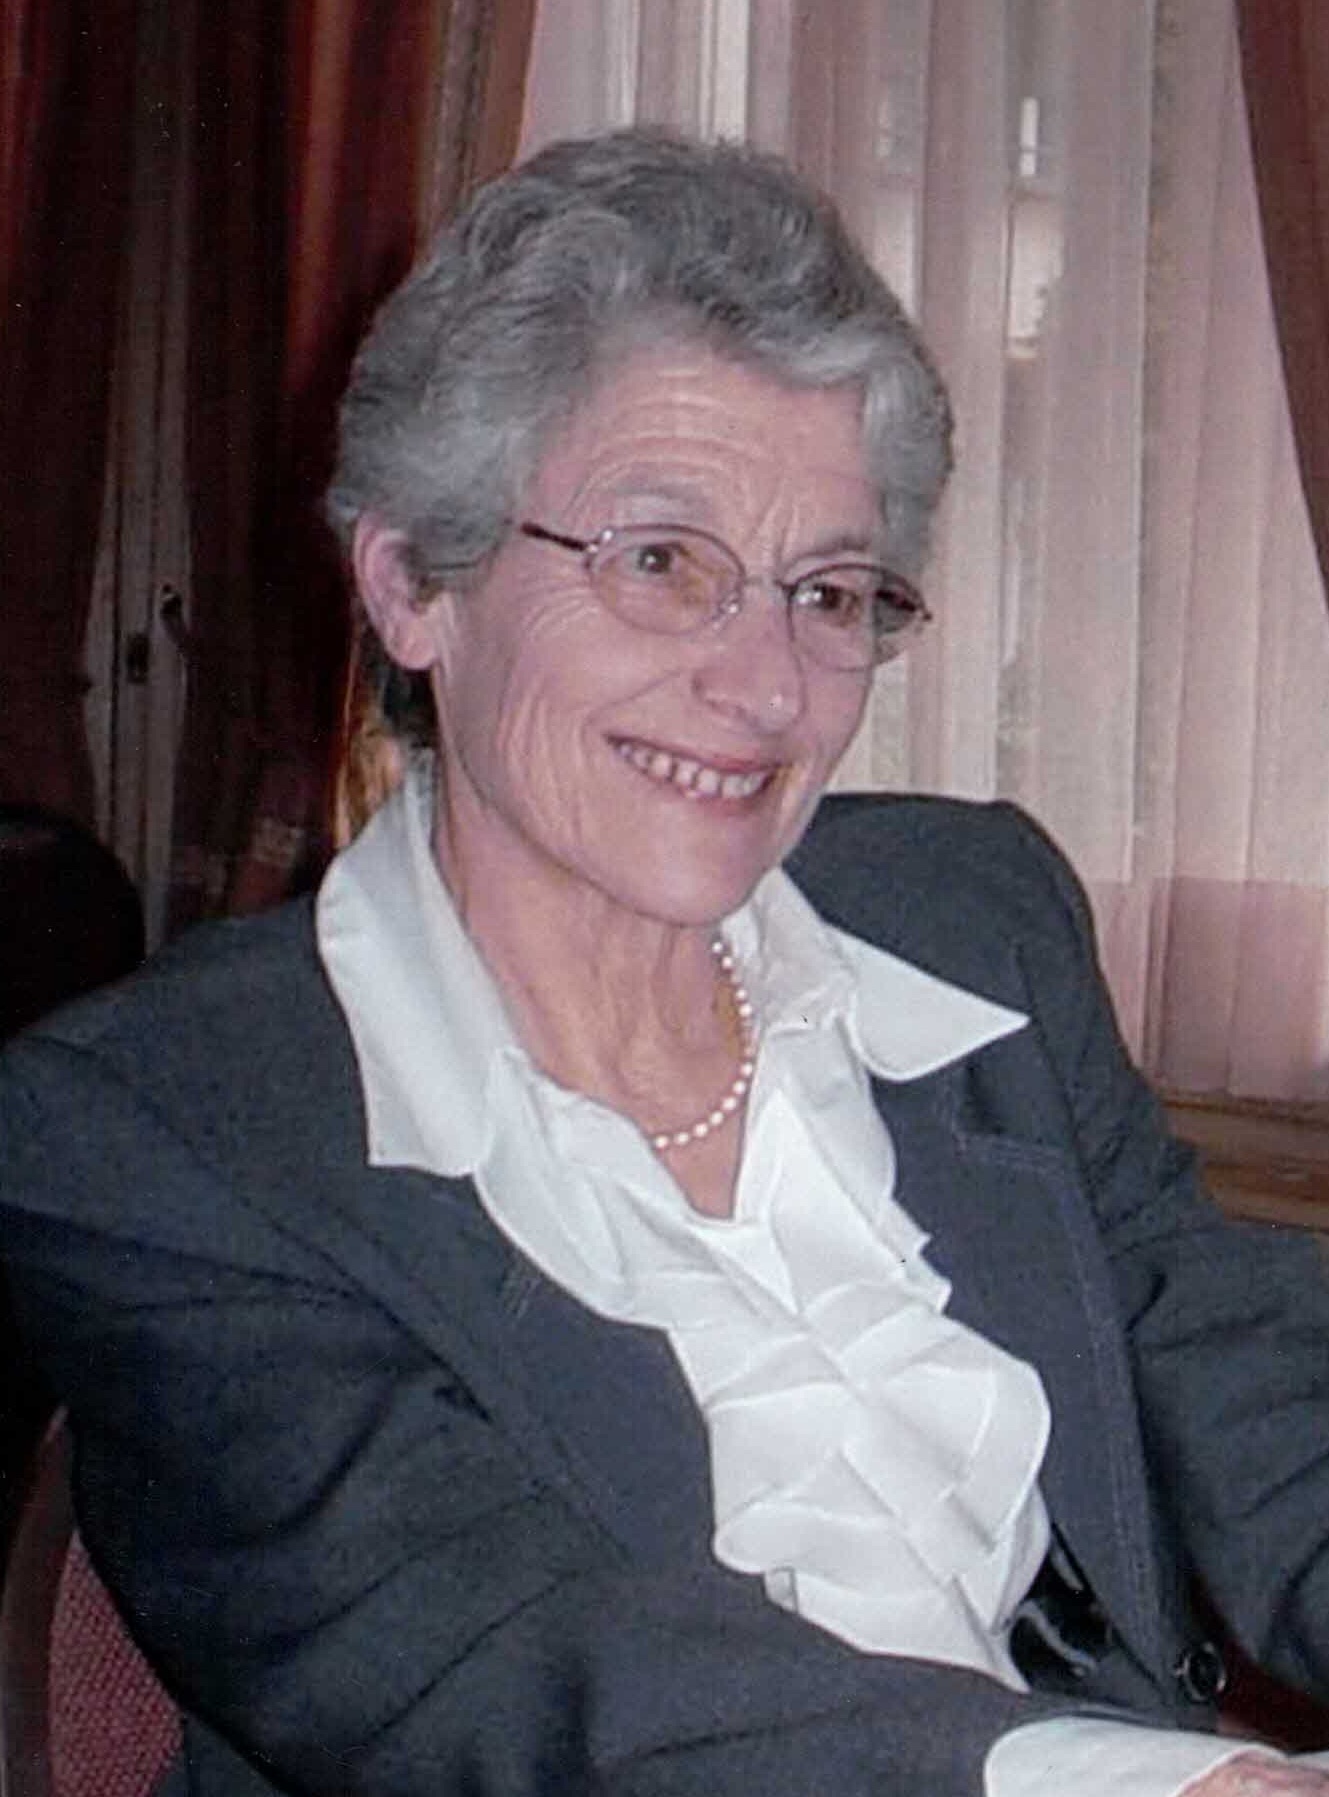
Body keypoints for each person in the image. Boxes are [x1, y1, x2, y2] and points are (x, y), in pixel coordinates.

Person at [1, 129, 1327, 1797]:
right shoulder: (156, 1123)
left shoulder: (966, 918)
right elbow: (514, 1668)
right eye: (658, 562)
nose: (764, 686)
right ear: (412, 583)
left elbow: (1230, 1364)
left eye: (828, 590)